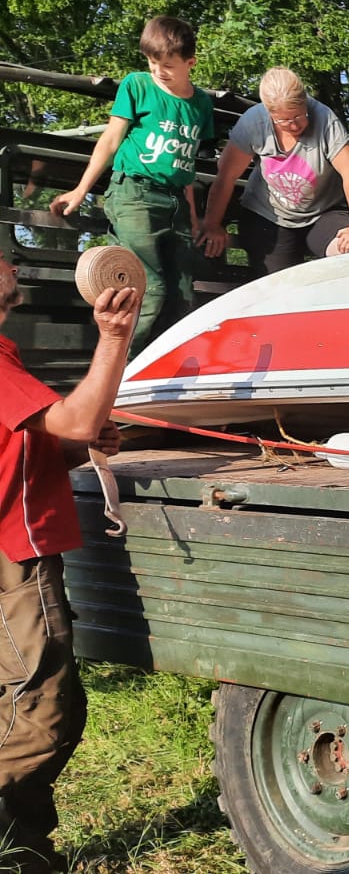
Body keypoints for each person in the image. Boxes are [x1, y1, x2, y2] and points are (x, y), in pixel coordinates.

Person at [0, 249, 139, 873]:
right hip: (12, 558)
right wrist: (114, 337)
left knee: (19, 702)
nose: (17, 277)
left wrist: (77, 447)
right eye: (6, 267)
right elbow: (80, 417)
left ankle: (21, 849)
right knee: (44, 714)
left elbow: (24, 453)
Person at [48, 16, 213, 355]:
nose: (158, 71)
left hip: (177, 205)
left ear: (190, 63)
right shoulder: (137, 85)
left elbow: (187, 165)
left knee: (183, 295)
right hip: (136, 194)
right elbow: (110, 140)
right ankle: (115, 377)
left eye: (167, 65)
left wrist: (194, 215)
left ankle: (160, 378)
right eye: (153, 63)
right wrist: (81, 190)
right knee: (148, 289)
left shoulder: (201, 105)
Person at [196, 67, 349, 276]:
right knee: (279, 284)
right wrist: (212, 224)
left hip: (323, 212)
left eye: (299, 116)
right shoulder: (254, 122)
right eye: (284, 120)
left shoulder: (325, 119)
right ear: (268, 113)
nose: (294, 125)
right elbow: (226, 177)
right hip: (269, 216)